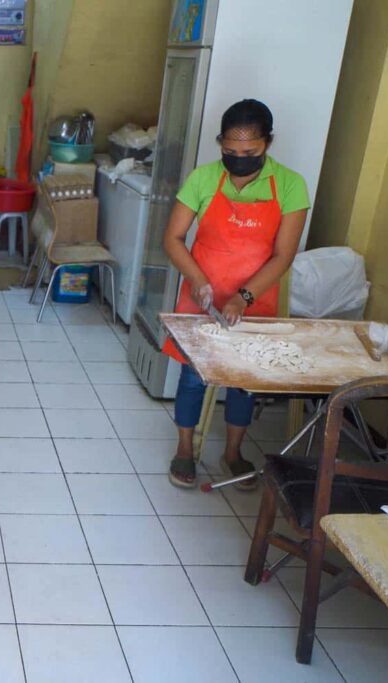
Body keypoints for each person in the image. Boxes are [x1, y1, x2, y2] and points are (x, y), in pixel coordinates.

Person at [162, 99, 309, 489]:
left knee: (244, 380)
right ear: (220, 144)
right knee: (194, 376)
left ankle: (232, 453)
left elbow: (284, 256)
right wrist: (196, 278)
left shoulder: (291, 185)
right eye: (230, 152)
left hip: (255, 301)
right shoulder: (204, 179)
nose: (239, 159)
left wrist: (243, 297)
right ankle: (185, 450)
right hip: (202, 295)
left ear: (269, 143)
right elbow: (173, 238)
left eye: (250, 152)